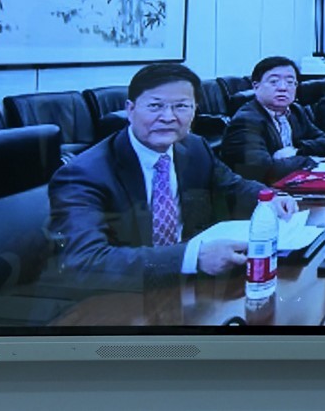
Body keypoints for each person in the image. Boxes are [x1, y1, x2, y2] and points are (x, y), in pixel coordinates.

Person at [48, 63, 297, 290]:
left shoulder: (195, 148)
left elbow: (233, 187)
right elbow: (85, 261)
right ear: (130, 110)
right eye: (155, 106)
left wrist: (270, 199)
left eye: (181, 106)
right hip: (121, 296)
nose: (168, 117)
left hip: (189, 289)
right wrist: (192, 257)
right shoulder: (84, 174)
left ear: (195, 111)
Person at [222, 56, 325, 183]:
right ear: (256, 86)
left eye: (290, 82)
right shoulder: (245, 121)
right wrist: (308, 160)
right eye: (274, 81)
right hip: (261, 191)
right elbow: (261, 171)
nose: (283, 88)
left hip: (295, 183)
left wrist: (297, 151)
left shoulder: (295, 111)